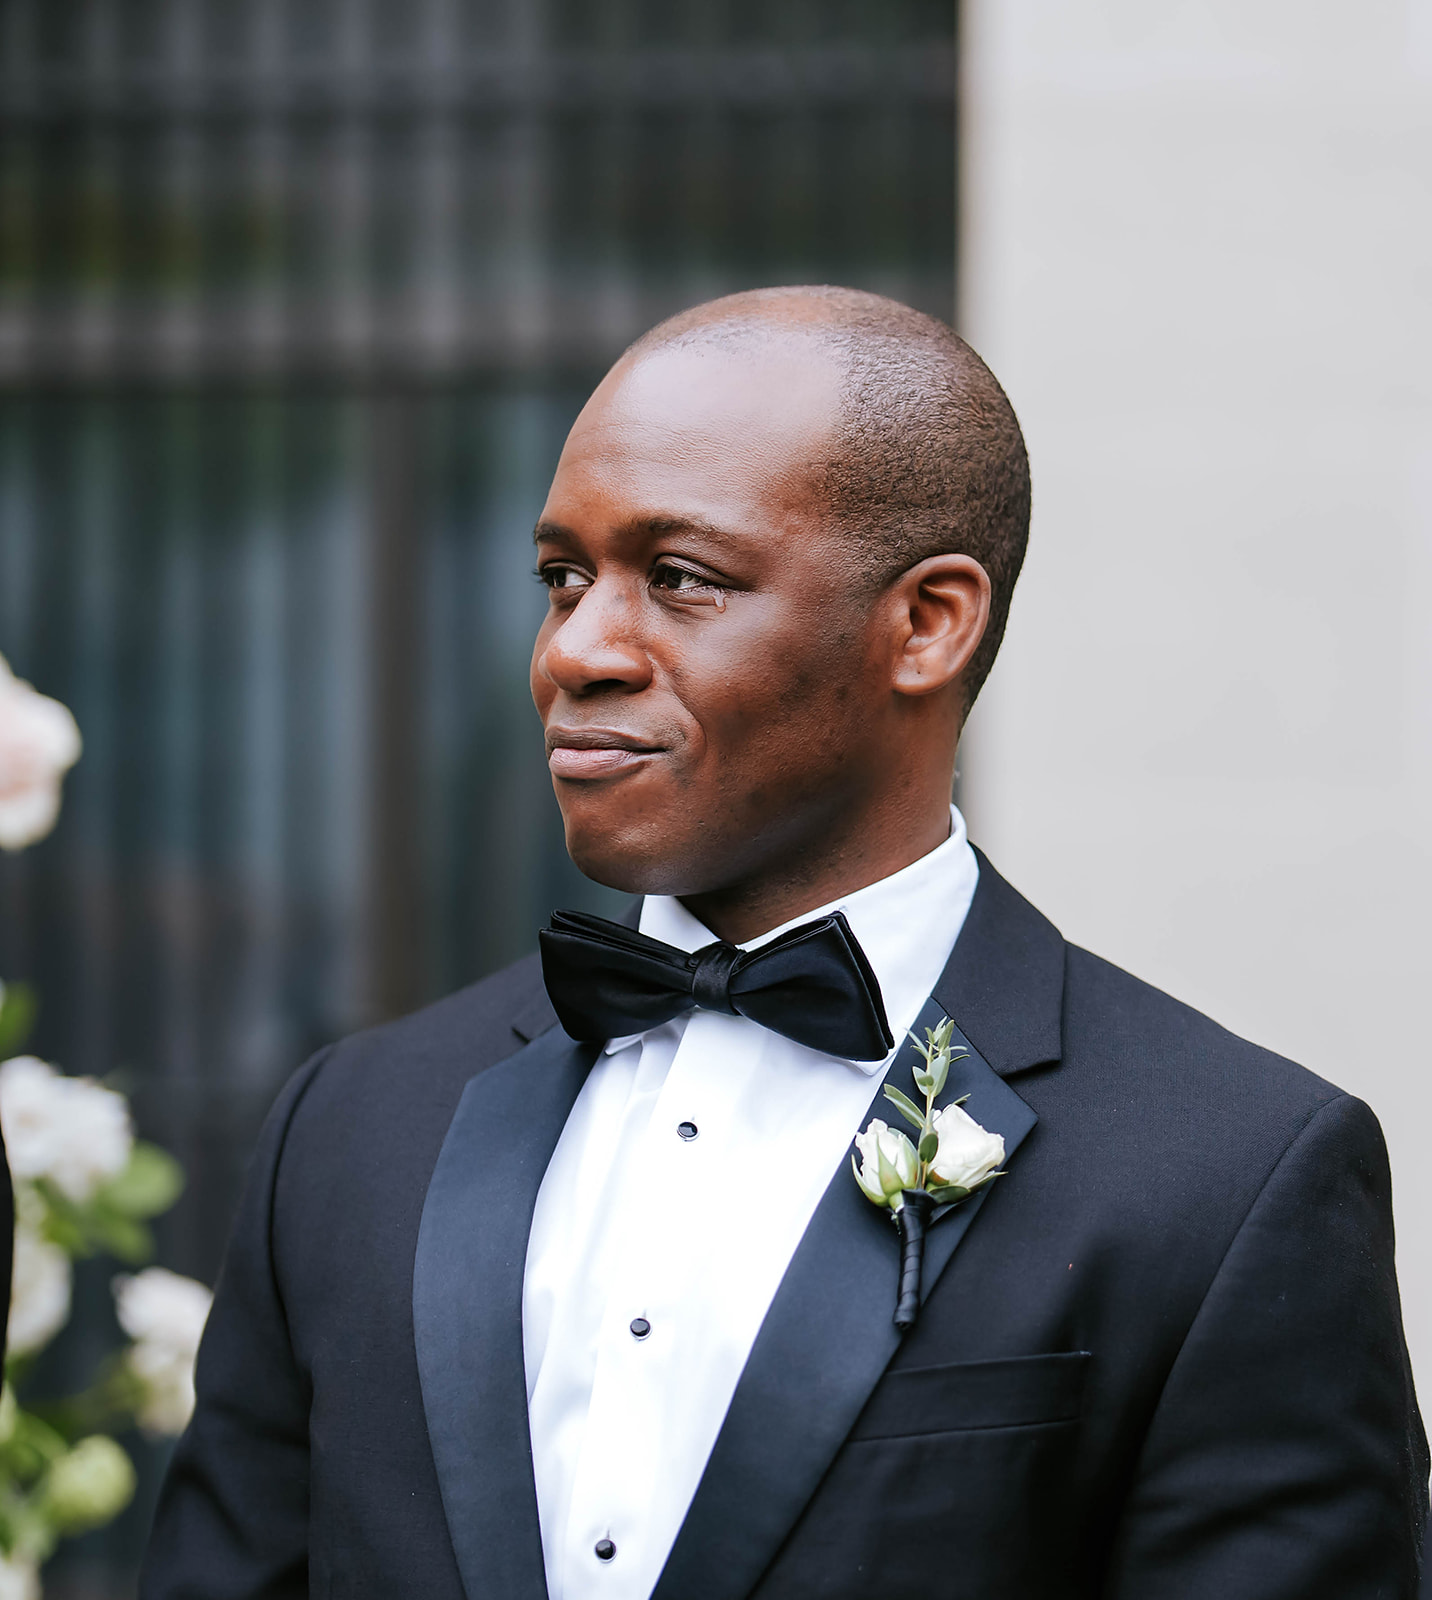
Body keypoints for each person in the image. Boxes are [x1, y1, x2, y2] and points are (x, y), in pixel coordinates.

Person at [139, 287, 1428, 1599]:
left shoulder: (1229, 1181)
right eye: (562, 578)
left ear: (927, 623)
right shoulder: (351, 1131)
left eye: (680, 578)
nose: (574, 649)